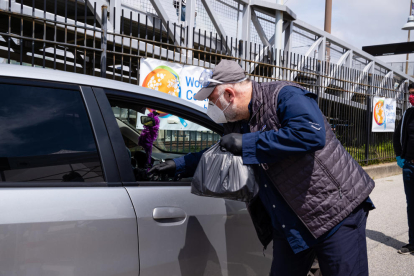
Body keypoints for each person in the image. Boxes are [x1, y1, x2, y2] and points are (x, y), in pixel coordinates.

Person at [150, 60, 375, 276]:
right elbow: (220, 153)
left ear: (229, 94)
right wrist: (177, 165)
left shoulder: (285, 95)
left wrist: (248, 143)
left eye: (212, 101)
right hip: (290, 221)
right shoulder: (238, 121)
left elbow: (311, 134)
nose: (211, 108)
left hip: (333, 212)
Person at [393, 82, 414, 255]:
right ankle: (412, 243)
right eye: (410, 93)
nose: (411, 97)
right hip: (409, 166)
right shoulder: (408, 113)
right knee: (411, 206)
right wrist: (399, 156)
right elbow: (396, 135)